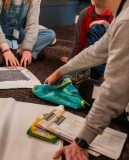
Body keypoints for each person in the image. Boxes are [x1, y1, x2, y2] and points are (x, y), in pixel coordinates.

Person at [44, 0, 129, 159]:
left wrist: (81, 141)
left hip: (121, 89)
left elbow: (115, 88)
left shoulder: (126, 21)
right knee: (93, 89)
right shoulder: (123, 14)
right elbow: (96, 51)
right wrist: (61, 71)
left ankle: (121, 110)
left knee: (108, 94)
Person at [0, 0, 56, 68]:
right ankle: (31, 52)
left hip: (18, 35)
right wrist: (6, 49)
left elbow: (32, 25)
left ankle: (17, 53)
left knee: (50, 34)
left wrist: (27, 49)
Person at [60, 0, 113, 80]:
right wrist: (71, 61)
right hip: (91, 56)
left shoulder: (116, 15)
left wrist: (105, 24)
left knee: (96, 28)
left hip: (110, 59)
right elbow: (79, 42)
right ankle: (92, 71)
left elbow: (120, 38)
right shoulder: (84, 14)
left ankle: (95, 73)